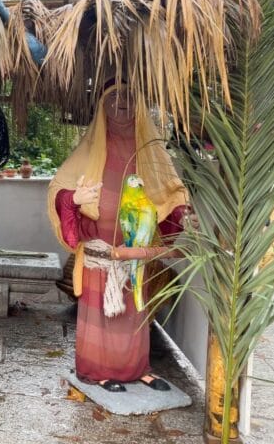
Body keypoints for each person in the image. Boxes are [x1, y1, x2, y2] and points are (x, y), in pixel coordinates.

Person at [47, 84, 190, 392]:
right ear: (101, 105)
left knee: (133, 314)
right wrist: (74, 198)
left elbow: (171, 192)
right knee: (100, 315)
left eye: (129, 95)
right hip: (99, 255)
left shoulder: (150, 151)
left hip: (133, 255)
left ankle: (137, 369)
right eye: (112, 95)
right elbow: (59, 189)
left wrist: (182, 214)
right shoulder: (89, 149)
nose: (121, 101)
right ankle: (97, 371)